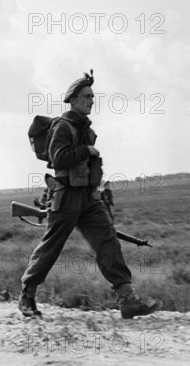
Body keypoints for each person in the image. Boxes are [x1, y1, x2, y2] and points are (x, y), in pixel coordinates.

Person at [19, 71, 161, 319]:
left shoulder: (86, 129)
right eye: (86, 96)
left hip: (89, 197)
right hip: (66, 197)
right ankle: (27, 296)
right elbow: (59, 158)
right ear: (72, 99)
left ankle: (128, 299)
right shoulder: (63, 127)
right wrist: (87, 150)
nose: (92, 101)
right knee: (51, 248)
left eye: (93, 97)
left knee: (108, 242)